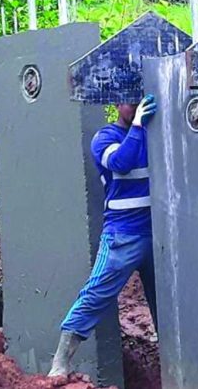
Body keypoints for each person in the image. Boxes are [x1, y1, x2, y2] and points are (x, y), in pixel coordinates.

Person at [49, 94, 159, 377]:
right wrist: (136, 127)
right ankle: (60, 362)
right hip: (123, 236)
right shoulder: (105, 137)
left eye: (138, 98)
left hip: (158, 234)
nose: (134, 104)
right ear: (116, 104)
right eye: (128, 100)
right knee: (96, 293)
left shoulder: (155, 134)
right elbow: (121, 162)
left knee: (165, 302)